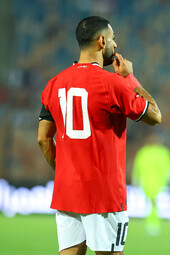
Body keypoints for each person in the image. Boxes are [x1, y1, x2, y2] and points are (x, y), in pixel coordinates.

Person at [37, 16, 161, 255]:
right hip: (104, 195)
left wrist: (64, 172)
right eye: (113, 39)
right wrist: (130, 78)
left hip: (67, 192)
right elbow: (155, 115)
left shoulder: (53, 84)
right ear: (102, 41)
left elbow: (43, 139)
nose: (116, 45)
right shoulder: (113, 83)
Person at [132, 135, 170, 236]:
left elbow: (137, 166)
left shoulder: (145, 152)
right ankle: (153, 224)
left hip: (153, 182)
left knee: (153, 204)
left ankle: (152, 224)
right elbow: (169, 168)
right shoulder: (162, 152)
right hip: (154, 183)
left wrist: (136, 178)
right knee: (153, 204)